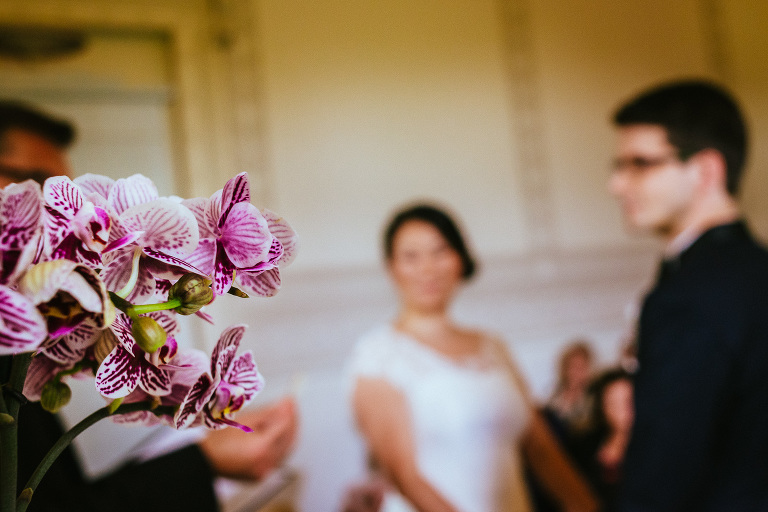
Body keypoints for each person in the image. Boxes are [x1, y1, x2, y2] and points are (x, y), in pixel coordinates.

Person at [0, 100, 298, 512]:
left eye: (65, 190)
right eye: (37, 182)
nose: (56, 208)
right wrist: (204, 461)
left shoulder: (35, 326)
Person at [348, 204, 597, 512]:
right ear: (392, 269)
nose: (428, 268)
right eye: (411, 256)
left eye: (440, 251)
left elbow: (540, 447)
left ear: (460, 258)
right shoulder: (377, 353)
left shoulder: (493, 346)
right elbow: (403, 475)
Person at [608, 80, 768, 510]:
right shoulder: (756, 269)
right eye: (618, 165)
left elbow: (660, 480)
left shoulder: (687, 297)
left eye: (640, 164)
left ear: (707, 170)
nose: (617, 185)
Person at [570, 369, 634, 512]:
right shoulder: (585, 447)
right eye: (613, 403)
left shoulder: (654, 449)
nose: (623, 410)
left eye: (628, 401)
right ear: (603, 408)